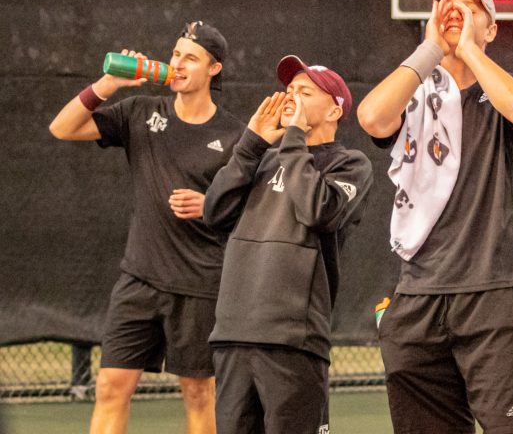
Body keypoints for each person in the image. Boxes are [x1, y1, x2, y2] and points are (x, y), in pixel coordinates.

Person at [357, 0, 513, 434]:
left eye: (469, 7)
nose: (455, 11)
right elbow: (371, 117)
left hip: (492, 296)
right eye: (446, 5)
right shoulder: (414, 95)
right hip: (417, 299)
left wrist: (468, 50)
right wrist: (431, 52)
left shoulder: (511, 85)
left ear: (492, 28)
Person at [48, 21, 242, 434]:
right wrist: (108, 83)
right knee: (111, 386)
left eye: (190, 58)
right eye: (175, 55)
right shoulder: (140, 112)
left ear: (214, 69)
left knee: (198, 394)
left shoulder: (234, 136)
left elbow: (249, 208)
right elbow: (62, 128)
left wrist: (209, 206)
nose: (177, 64)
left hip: (199, 282)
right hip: (138, 280)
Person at [203, 56, 372, 434]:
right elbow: (214, 213)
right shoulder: (260, 160)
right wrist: (249, 145)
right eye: (289, 89)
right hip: (233, 334)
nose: (291, 97)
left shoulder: (350, 165)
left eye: (305, 91)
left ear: (334, 109)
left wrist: (294, 138)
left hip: (292, 340)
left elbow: (318, 210)